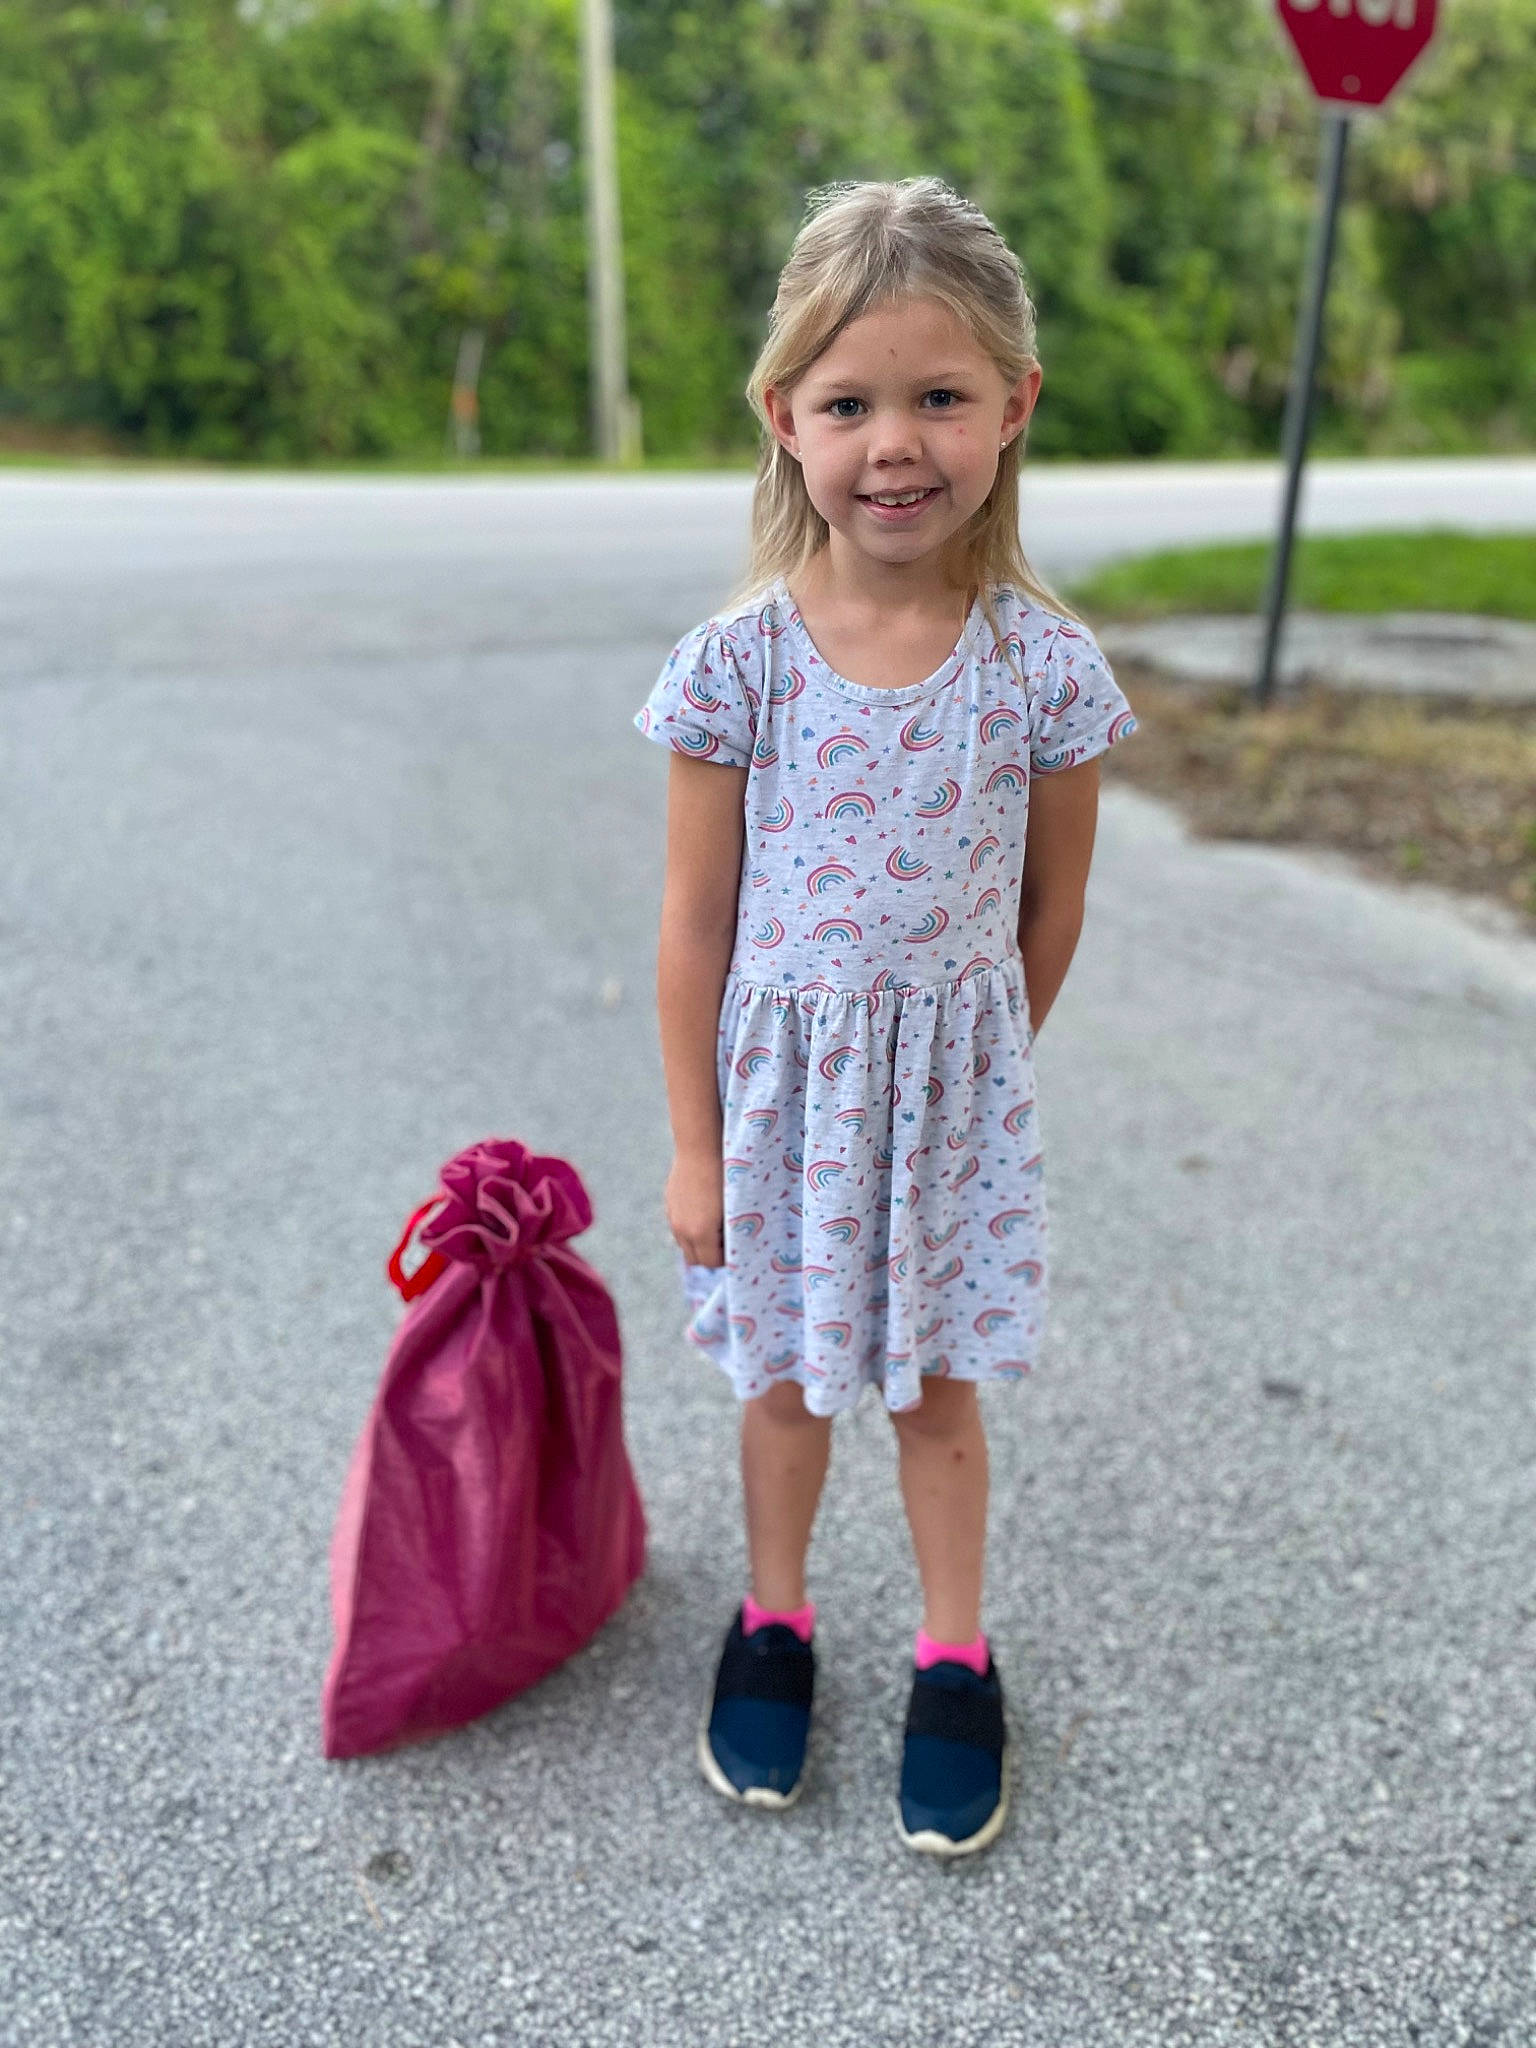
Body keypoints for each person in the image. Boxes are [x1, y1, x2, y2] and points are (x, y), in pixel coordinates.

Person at [630, 175, 1138, 1858]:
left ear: (1015, 410)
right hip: (778, 1104)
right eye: (850, 403)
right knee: (784, 1386)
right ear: (785, 416)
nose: (895, 443)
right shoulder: (740, 664)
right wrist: (700, 1144)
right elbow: (695, 925)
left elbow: (1049, 911)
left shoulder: (1041, 666)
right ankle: (776, 1623)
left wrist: (980, 1080)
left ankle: (951, 1652)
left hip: (949, 1110)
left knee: (933, 1394)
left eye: (939, 397)